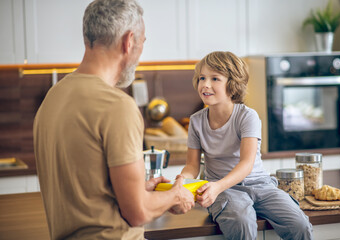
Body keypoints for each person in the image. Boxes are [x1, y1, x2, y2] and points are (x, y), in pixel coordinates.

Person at [33, 0, 195, 239]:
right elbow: (137, 212)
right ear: (128, 42)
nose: (140, 53)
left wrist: (142, 190)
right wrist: (175, 195)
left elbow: (87, 189)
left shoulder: (53, 97)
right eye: (142, 43)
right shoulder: (117, 106)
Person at [178, 51, 313, 240]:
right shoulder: (196, 121)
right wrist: (181, 181)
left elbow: (246, 164)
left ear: (232, 85)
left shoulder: (247, 117)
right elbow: (192, 166)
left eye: (215, 78)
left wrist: (215, 187)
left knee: (299, 225)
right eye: (202, 78)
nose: (205, 85)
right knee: (242, 223)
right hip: (225, 191)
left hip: (261, 185)